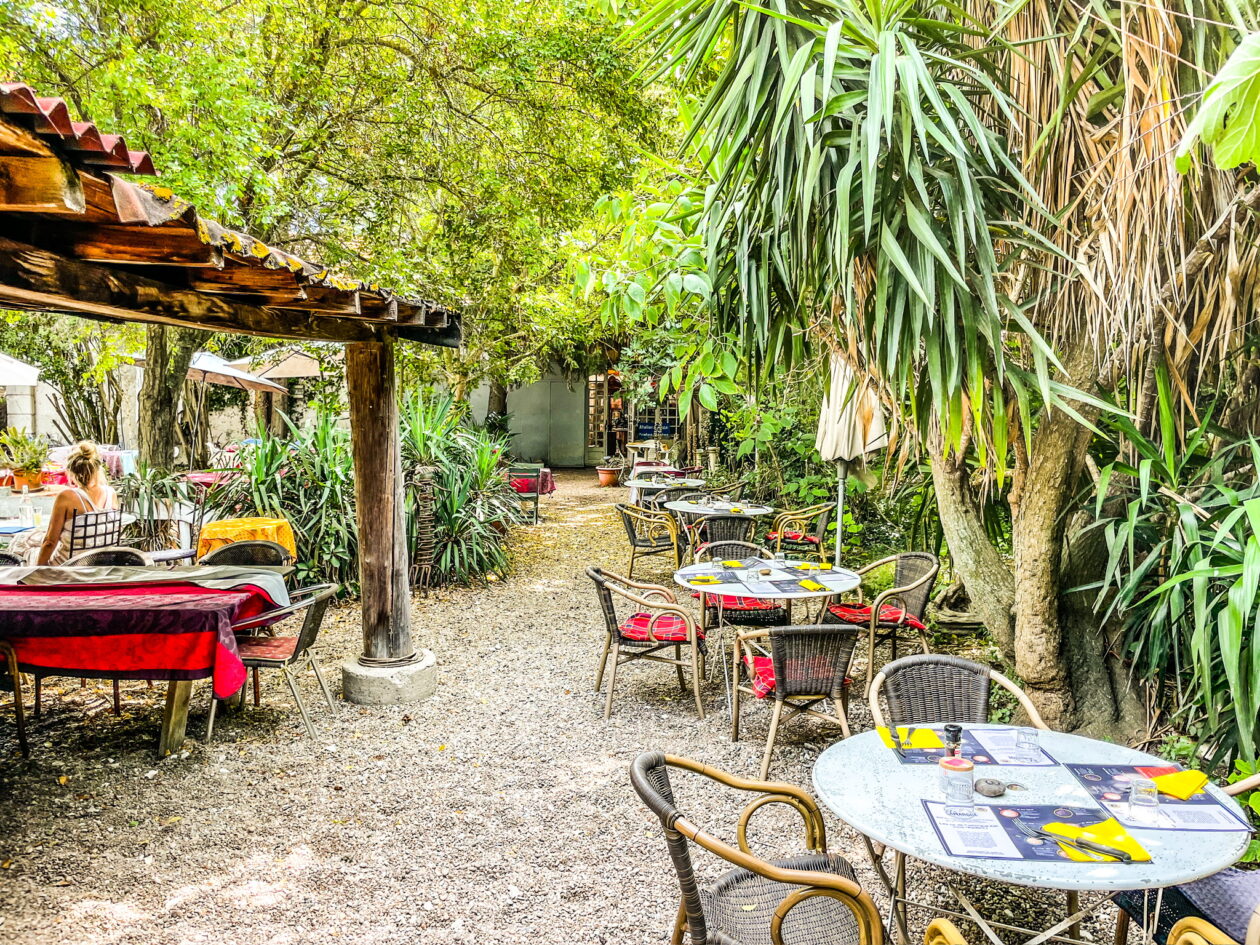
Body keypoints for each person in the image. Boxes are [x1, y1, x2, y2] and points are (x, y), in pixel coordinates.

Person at [9, 441, 119, 565]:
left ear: (72, 472)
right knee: (34, 538)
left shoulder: (67, 497)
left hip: (67, 566)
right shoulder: (111, 493)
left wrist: (39, 570)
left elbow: (50, 542)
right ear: (97, 468)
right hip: (99, 563)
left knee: (20, 545)